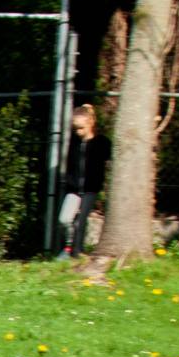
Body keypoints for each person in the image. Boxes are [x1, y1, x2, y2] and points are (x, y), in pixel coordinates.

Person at [58, 104, 110, 259]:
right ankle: (68, 248)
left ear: (91, 123)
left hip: (90, 189)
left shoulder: (102, 142)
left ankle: (77, 252)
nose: (78, 132)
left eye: (81, 128)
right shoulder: (74, 142)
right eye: (75, 129)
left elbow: (109, 161)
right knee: (64, 219)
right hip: (74, 189)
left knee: (80, 222)